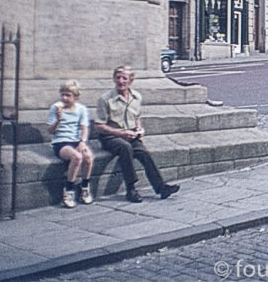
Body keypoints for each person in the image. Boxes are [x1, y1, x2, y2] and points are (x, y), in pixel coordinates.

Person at [95, 66, 180, 203]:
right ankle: (131, 189)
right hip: (111, 137)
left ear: (131, 80)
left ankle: (161, 187)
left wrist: (139, 129)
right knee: (125, 148)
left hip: (131, 135)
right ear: (114, 79)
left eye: (124, 78)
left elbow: (136, 117)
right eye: (118, 77)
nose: (121, 81)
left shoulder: (136, 97)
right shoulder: (105, 99)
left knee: (143, 153)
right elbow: (99, 126)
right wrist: (120, 133)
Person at [47, 80, 94, 208]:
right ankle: (69, 189)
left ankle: (85, 186)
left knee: (88, 157)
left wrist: (82, 142)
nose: (64, 98)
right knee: (77, 157)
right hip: (61, 142)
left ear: (76, 97)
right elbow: (50, 130)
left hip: (76, 141)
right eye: (63, 94)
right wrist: (58, 120)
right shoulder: (55, 108)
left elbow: (84, 127)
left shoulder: (81, 109)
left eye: (68, 95)